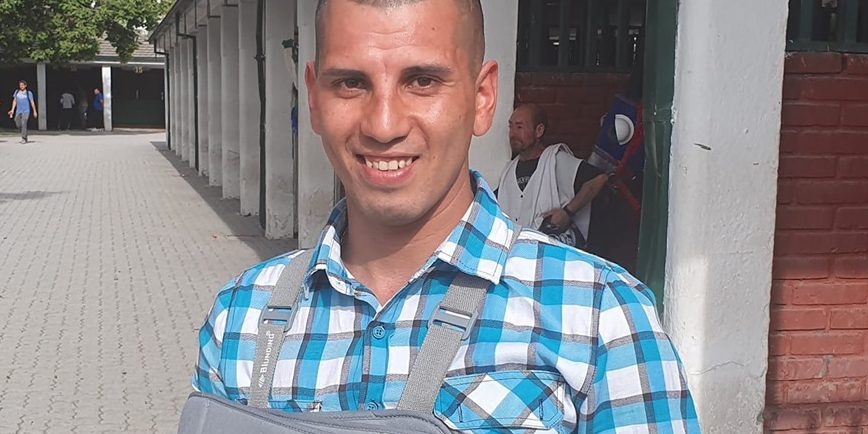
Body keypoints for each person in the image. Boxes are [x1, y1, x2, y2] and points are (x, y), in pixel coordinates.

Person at [192, 0, 699, 432]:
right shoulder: (242, 317)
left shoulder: (601, 317)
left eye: (422, 80)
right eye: (350, 83)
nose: (383, 125)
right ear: (314, 99)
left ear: (483, 98)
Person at [496, 104, 609, 249]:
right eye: (510, 127)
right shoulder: (509, 171)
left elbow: (599, 179)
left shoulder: (556, 160)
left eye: (519, 127)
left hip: (552, 252)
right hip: (519, 252)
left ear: (539, 131)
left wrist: (567, 212)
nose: (513, 134)